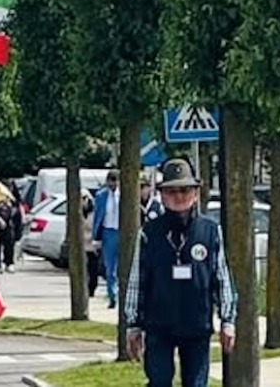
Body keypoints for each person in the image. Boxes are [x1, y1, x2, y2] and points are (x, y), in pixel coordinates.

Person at [125, 158, 237, 387]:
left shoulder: (210, 231)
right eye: (172, 191)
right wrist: (133, 325)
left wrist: (227, 321)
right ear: (162, 195)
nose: (179, 197)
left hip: (197, 325)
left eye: (185, 190)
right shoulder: (149, 232)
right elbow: (137, 280)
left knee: (196, 384)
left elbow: (222, 277)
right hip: (159, 325)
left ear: (195, 193)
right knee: (159, 381)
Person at [92, 170, 122, 309]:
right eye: (110, 181)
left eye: (115, 181)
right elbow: (97, 216)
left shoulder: (124, 195)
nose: (112, 184)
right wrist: (96, 237)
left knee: (123, 265)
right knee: (110, 267)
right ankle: (112, 295)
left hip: (122, 231)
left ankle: (122, 294)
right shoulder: (101, 195)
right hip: (108, 232)